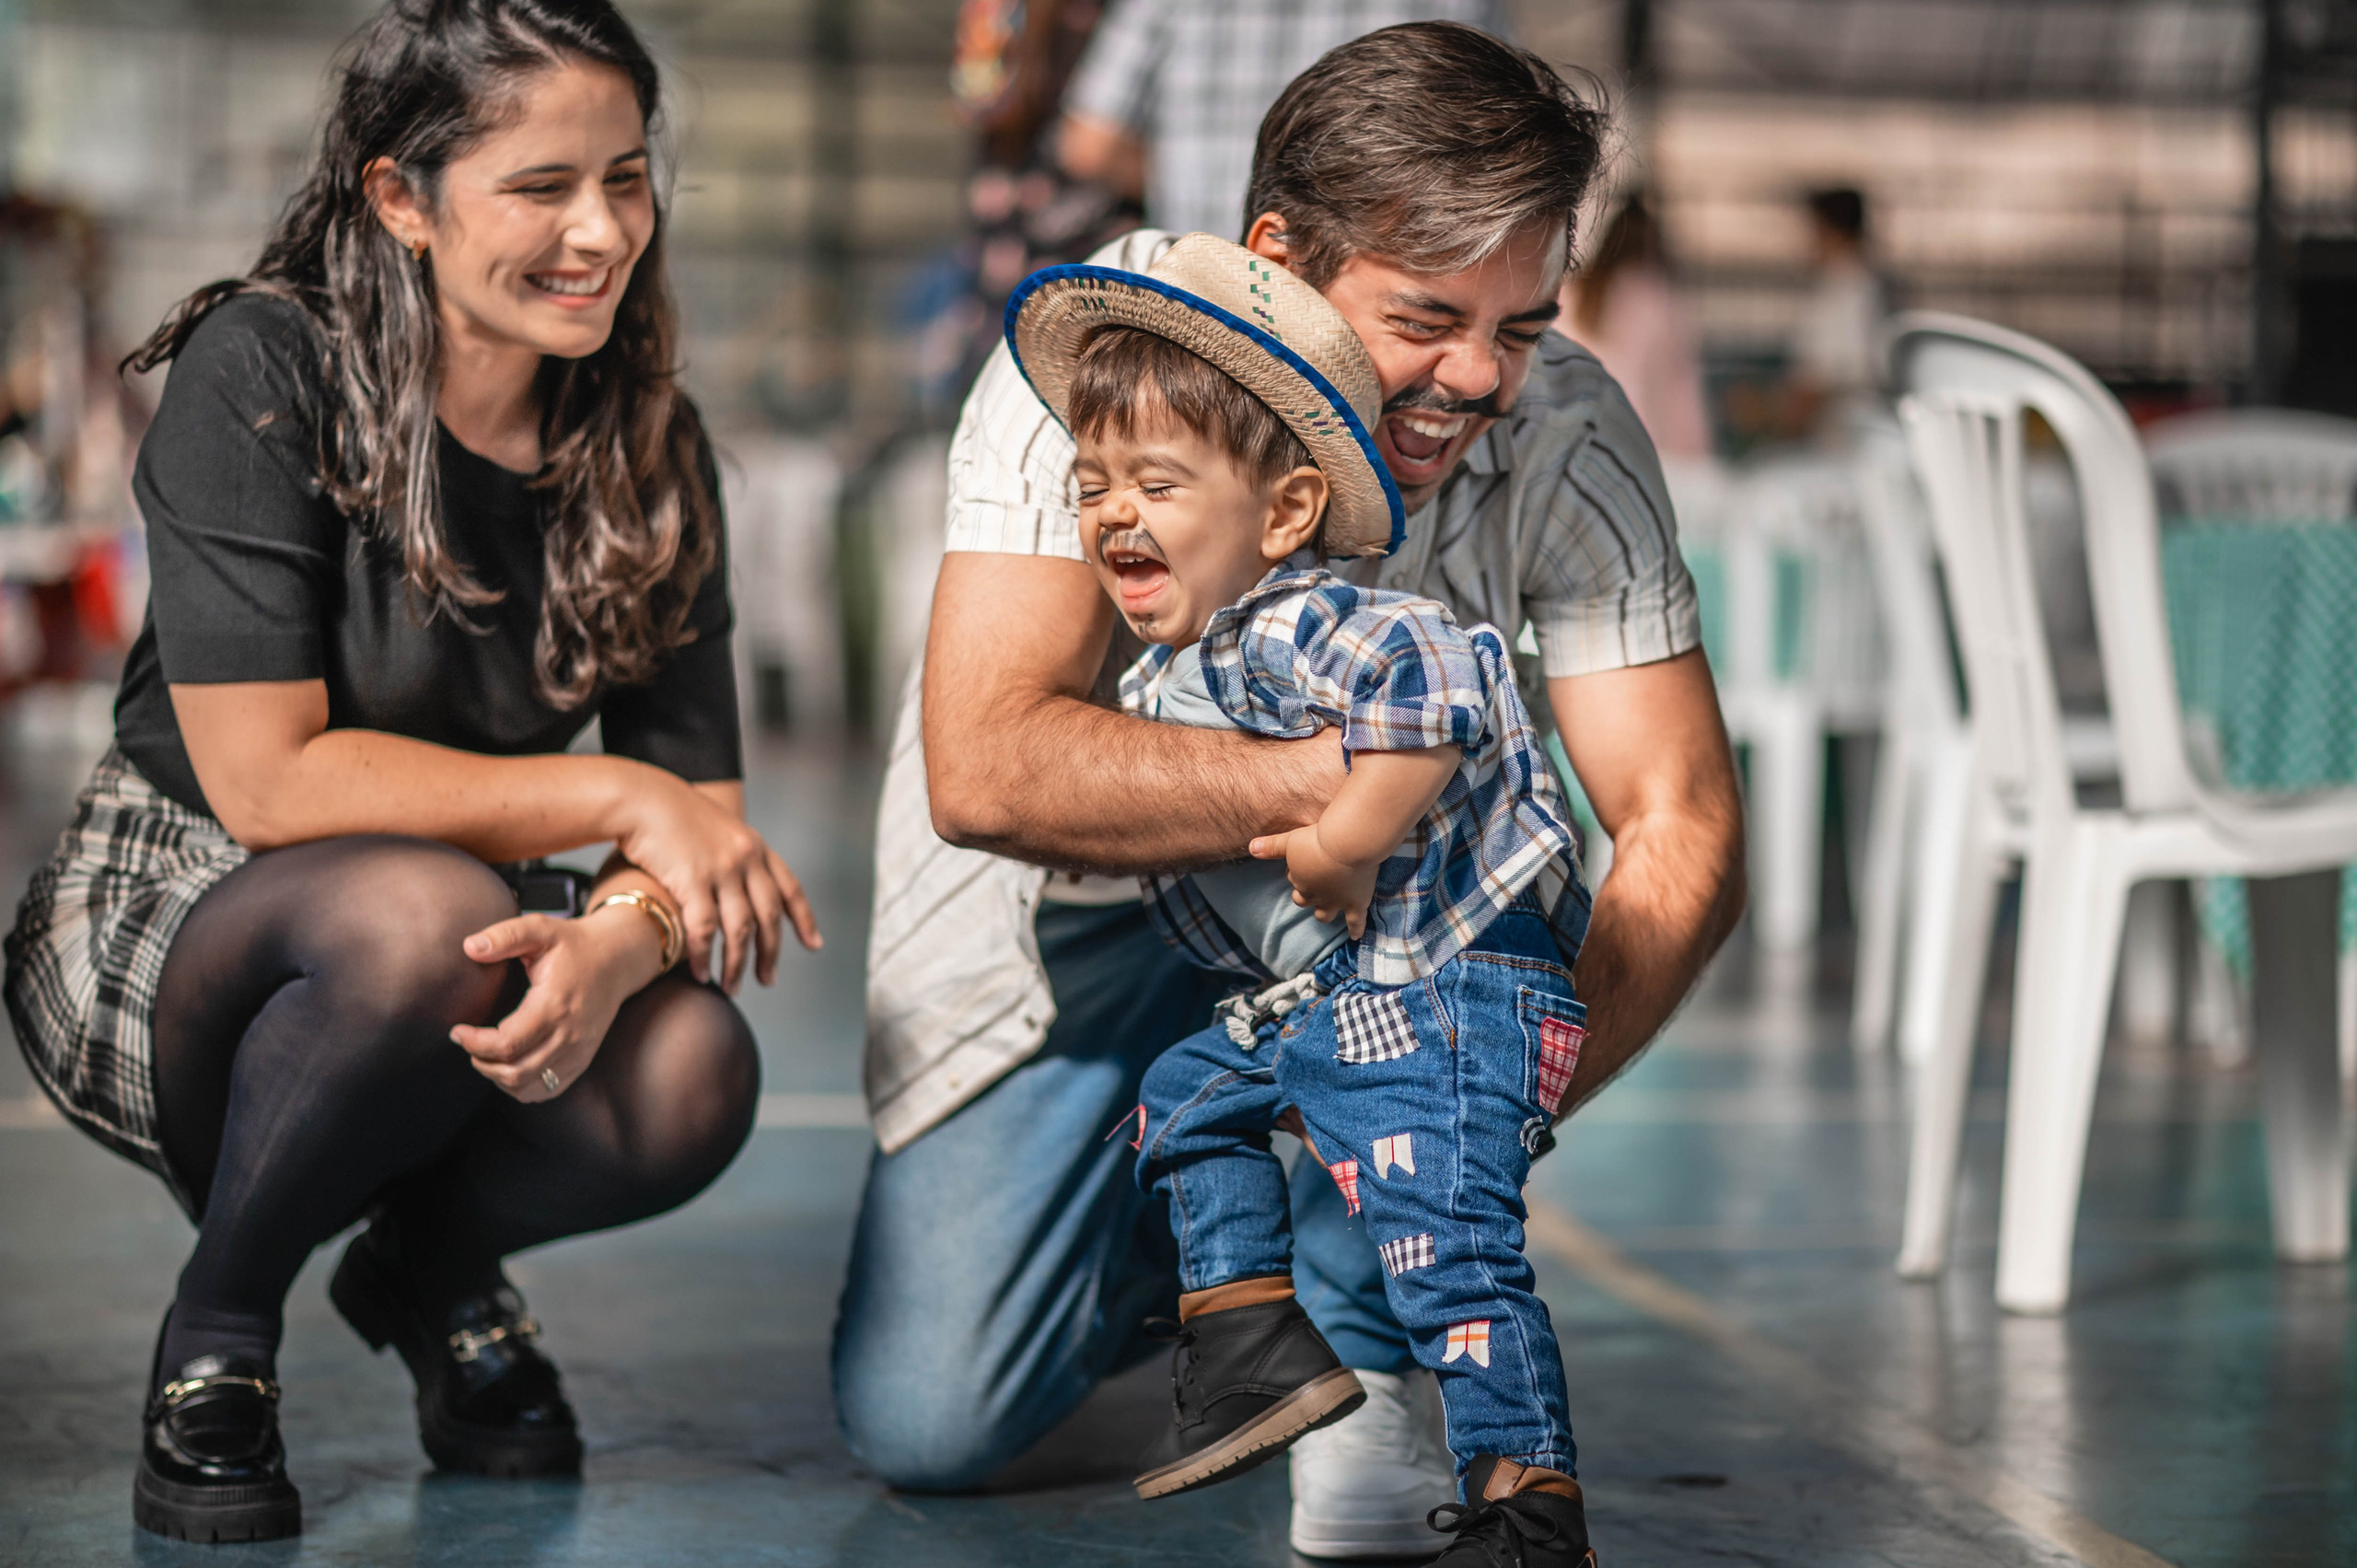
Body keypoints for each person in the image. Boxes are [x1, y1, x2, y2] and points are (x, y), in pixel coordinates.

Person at [840, 23, 1744, 1563]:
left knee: (1409, 997)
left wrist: (1471, 1116)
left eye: (1519, 324)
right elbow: (989, 763)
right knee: (935, 1421)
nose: (1476, 375)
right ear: (1276, 260)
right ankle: (1211, 1257)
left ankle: (1354, 1279)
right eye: (1425, 317)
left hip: (1387, 957)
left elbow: (1679, 819)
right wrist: (1345, 784)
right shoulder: (1112, 355)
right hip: (1072, 937)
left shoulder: (1566, 423)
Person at [3, 0, 819, 1543]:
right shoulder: (266, 367)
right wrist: (616, 808)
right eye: (540, 187)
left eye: (628, 178)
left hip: (452, 915)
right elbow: (268, 783)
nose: (601, 232)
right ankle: (220, 1336)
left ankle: (425, 1264)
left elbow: (697, 814)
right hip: (174, 914)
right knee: (418, 917)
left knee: (692, 1062)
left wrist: (619, 938)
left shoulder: (647, 442)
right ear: (402, 198)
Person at [1005, 236, 1598, 1564]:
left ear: (1281, 513)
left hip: (1459, 983)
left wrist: (1347, 834)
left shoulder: (1291, 615)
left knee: (1451, 1258)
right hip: (1355, 991)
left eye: (1157, 481)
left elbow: (1442, 671)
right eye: (1094, 482)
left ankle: (1530, 1509)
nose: (1112, 511)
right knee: (1188, 1092)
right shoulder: (1190, 660)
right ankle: (1253, 1332)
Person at [1056, 0, 1507, 240]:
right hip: (1375, 276)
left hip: (1202, 273)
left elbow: (1089, 143)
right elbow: (1499, 129)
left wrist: (1198, 177)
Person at [1561, 190, 1713, 461]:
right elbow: (1681, 389)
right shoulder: (1657, 299)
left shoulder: (1572, 294)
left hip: (1575, 439)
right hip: (1639, 441)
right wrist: (1695, 455)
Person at [1781, 186, 1888, 441]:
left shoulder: (1847, 289)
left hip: (1840, 442)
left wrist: (1781, 428)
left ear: (1832, 232)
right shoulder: (1864, 285)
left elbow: (1822, 378)